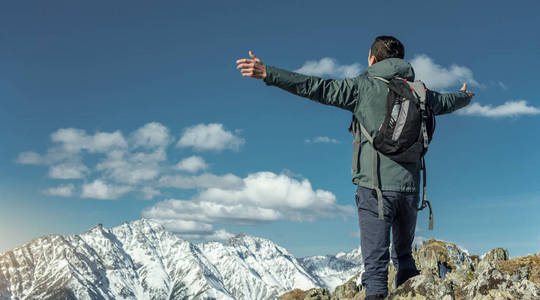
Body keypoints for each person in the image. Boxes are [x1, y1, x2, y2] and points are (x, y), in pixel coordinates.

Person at [235, 36, 474, 300]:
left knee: (375, 269)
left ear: (372, 59)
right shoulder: (421, 92)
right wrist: (465, 96)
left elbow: (315, 87)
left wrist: (269, 73)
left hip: (375, 191)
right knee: (404, 258)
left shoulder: (362, 87)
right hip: (410, 190)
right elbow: (448, 102)